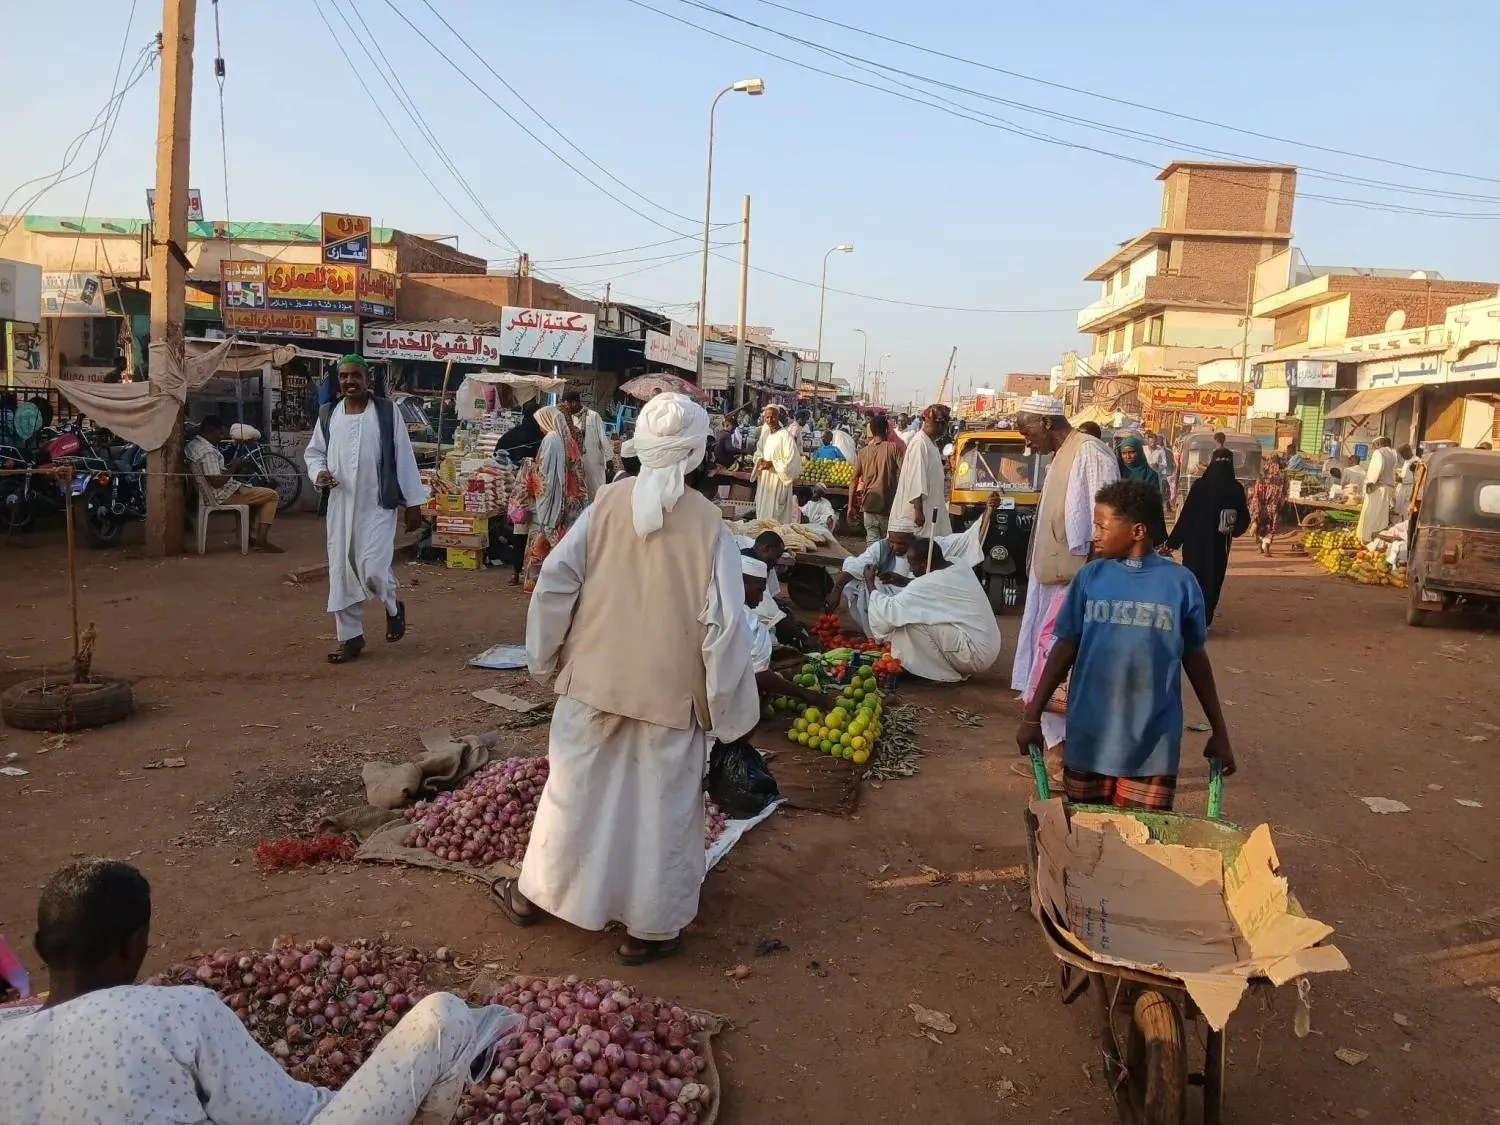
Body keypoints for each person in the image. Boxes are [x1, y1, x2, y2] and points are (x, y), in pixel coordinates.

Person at [500, 393, 760, 966]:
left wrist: (544, 659)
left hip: (591, 681)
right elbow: (725, 627)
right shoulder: (710, 526)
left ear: (641, 446)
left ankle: (532, 896)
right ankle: (650, 929)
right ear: (694, 455)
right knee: (660, 813)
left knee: (573, 797)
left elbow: (554, 583)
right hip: (671, 699)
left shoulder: (605, 504)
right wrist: (730, 713)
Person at [0, 859, 513, 1125]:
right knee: (444, 1017)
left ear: (40, 947)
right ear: (133, 945)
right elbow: (293, 1117)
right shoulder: (177, 1013)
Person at [1014, 480, 1236, 811]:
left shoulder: (1180, 584)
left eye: (1103, 525)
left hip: (1152, 745)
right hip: (1089, 737)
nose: (1095, 533)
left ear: (1137, 531)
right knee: (1088, 844)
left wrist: (1220, 731)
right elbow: (1064, 648)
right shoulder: (1090, 578)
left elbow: (1195, 659)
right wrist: (1033, 717)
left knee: (1142, 845)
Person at [1011, 395, 1120, 753]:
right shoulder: (1061, 455)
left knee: (1065, 670)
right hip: (1054, 582)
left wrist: (1091, 581)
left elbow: (1106, 523)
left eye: (1026, 430)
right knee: (1047, 663)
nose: (1026, 440)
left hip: (1076, 584)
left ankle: (1063, 757)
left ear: (1046, 422)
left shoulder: (1090, 452)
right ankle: (1052, 746)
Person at [304, 356, 427, 665]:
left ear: (367, 379)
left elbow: (404, 457)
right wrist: (319, 474)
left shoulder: (386, 412)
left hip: (377, 505)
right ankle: (350, 637)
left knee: (372, 569)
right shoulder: (328, 414)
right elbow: (315, 453)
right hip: (340, 506)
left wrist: (414, 502)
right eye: (344, 377)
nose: (349, 382)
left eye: (355, 376)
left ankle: (393, 607)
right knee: (341, 572)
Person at [867, 537, 1003, 683]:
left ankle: (931, 673)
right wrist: (906, 582)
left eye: (912, 564)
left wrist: (869, 581)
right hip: (987, 647)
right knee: (917, 613)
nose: (911, 570)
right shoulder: (958, 565)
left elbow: (889, 612)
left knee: (908, 622)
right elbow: (938, 588)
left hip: (975, 654)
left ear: (925, 563)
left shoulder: (926, 583)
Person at [1164, 448, 1249, 626]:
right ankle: (1204, 620)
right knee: (1213, 580)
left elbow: (1187, 516)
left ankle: (1189, 619)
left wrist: (1173, 542)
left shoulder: (1200, 486)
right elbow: (1243, 519)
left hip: (1194, 544)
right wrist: (1233, 530)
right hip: (1220, 544)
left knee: (1193, 579)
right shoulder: (1235, 488)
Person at [740, 556, 832, 707]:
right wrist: (804, 693)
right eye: (759, 591)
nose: (761, 598)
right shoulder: (749, 621)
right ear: (742, 584)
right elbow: (759, 675)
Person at [183, 415, 284, 553]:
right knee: (272, 495)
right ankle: (261, 541)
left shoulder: (193, 445)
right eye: (220, 433)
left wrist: (232, 465)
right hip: (222, 494)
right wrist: (234, 467)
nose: (221, 437)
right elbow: (217, 482)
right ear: (211, 431)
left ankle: (248, 537)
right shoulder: (207, 452)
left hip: (214, 492)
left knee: (257, 495)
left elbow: (213, 473)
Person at [517, 406, 588, 593]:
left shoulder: (551, 439)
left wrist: (530, 471)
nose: (539, 427)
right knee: (563, 546)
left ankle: (541, 586)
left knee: (544, 543)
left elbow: (545, 476)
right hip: (570, 502)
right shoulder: (568, 440)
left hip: (552, 504)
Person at [891, 403, 952, 534]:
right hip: (919, 515)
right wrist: (919, 512)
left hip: (931, 510)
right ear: (940, 424)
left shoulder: (931, 443)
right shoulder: (920, 443)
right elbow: (916, 478)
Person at [849, 414, 905, 545]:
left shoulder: (863, 452)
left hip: (868, 505)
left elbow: (853, 479)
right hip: (887, 507)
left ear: (872, 432)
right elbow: (905, 473)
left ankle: (871, 565)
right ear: (887, 430)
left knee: (872, 545)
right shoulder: (893, 448)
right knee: (887, 545)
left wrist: (850, 506)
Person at [1115, 434, 1168, 547]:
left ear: (1139, 452)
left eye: (1132, 452)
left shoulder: (1151, 475)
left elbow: (1154, 503)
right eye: (1124, 453)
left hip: (1143, 524)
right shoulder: (1117, 472)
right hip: (1121, 523)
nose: (1128, 456)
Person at [752, 405, 800, 524]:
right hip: (765, 481)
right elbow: (758, 452)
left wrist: (773, 463)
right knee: (763, 513)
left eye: (772, 417)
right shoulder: (765, 435)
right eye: (767, 417)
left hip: (778, 481)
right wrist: (760, 461)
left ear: (778, 417)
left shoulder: (785, 436)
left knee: (776, 516)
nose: (769, 420)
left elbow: (792, 460)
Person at [561, 390, 613, 499]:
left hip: (593, 465)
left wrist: (609, 459)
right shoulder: (569, 419)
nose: (566, 409)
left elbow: (603, 439)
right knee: (580, 497)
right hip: (577, 467)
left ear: (574, 403)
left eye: (567, 405)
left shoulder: (594, 416)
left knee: (595, 496)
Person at [1357, 435, 1398, 542]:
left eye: (1374, 445)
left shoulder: (1379, 453)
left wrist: (1369, 484)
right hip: (1388, 488)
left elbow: (1375, 471)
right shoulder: (1393, 453)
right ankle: (1378, 539)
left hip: (1377, 488)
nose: (1373, 448)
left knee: (1371, 513)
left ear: (1378, 444)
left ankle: (1367, 538)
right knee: (1381, 516)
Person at [1247, 456, 1290, 556]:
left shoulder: (1263, 474)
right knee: (1270, 525)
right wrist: (1281, 502)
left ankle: (1259, 545)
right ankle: (1266, 546)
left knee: (1259, 522)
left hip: (1260, 504)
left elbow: (1255, 491)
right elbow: (1285, 492)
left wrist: (1253, 503)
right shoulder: (1283, 476)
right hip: (1273, 505)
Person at [1144, 432, 1176, 504]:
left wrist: (1157, 469)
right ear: (1147, 441)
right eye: (1151, 442)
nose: (1153, 443)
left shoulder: (1160, 450)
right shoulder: (1143, 449)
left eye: (1154, 442)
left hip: (1156, 475)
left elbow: (1164, 464)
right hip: (1145, 473)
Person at [1394, 444, 1421, 518]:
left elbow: (1415, 478)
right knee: (1400, 514)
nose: (1402, 456)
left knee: (1406, 515)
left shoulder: (1416, 461)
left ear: (1408, 452)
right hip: (1403, 489)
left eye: (1402, 454)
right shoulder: (1407, 461)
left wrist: (1398, 479)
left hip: (1409, 491)